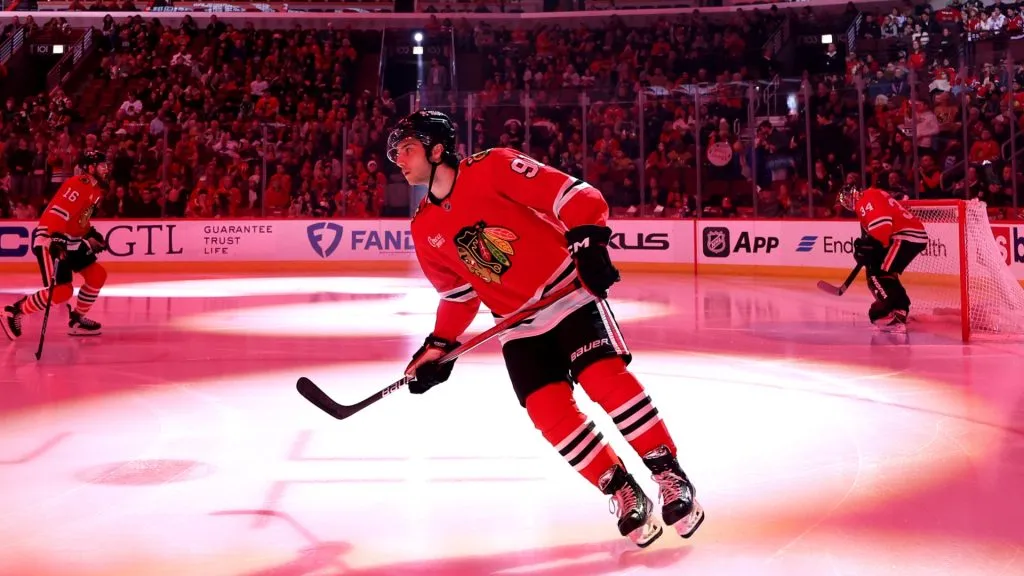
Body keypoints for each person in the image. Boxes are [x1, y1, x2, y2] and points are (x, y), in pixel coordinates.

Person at [388, 110, 704, 548]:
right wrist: (437, 346)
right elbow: (459, 295)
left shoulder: (494, 166)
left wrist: (589, 243)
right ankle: (622, 490)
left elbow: (575, 196)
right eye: (395, 152)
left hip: (566, 293)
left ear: (437, 149)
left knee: (604, 380)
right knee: (549, 414)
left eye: (406, 149)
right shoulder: (424, 226)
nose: (397, 159)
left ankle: (668, 473)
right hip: (517, 326)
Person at [1, 152, 109, 341]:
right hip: (51, 239)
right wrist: (56, 237)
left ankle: (76, 320)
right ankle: (14, 311)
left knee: (97, 275)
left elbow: (80, 219)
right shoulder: (80, 183)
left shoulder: (97, 190)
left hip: (72, 241)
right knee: (61, 291)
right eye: (101, 165)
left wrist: (89, 233)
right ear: (90, 168)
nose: (106, 168)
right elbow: (58, 210)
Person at [838, 184, 928, 331]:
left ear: (854, 193)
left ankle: (892, 311)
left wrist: (870, 247)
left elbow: (882, 228)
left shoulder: (864, 201)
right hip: (908, 235)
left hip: (905, 237)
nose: (847, 203)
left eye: (847, 198)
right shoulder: (871, 196)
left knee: (878, 273)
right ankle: (899, 309)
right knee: (884, 272)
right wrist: (867, 247)